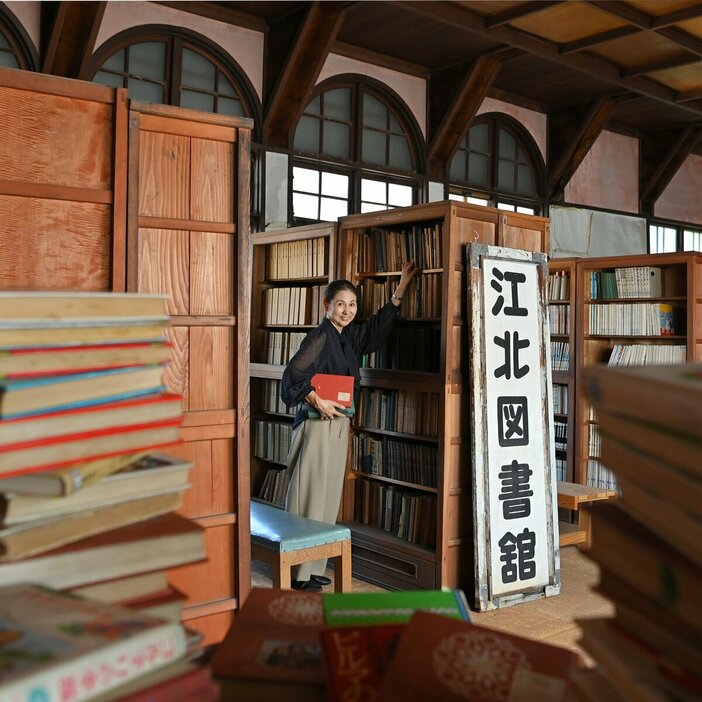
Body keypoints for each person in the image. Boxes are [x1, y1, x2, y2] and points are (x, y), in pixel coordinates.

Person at [280, 260, 418, 591]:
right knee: (308, 497)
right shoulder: (319, 337)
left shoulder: (349, 337)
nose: (346, 310)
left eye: (352, 304)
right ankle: (296, 574)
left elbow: (376, 330)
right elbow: (291, 378)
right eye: (340, 304)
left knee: (326, 500)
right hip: (316, 426)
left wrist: (400, 289)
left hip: (339, 424)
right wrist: (316, 400)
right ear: (327, 306)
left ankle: (313, 567)